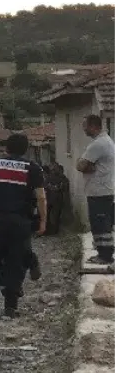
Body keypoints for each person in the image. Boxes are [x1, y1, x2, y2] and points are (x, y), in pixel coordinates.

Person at [0, 133, 47, 318]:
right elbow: (40, 196)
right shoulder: (33, 168)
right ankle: (10, 305)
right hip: (21, 222)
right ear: (26, 150)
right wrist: (43, 220)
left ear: (6, 148)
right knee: (16, 262)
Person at [77, 114, 115, 267]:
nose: (84, 129)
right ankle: (103, 252)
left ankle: (105, 256)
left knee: (100, 223)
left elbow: (80, 165)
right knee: (102, 222)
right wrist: (86, 165)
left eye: (85, 126)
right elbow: (84, 165)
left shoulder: (98, 144)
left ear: (93, 126)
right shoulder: (104, 141)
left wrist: (85, 165)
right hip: (102, 190)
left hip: (100, 191)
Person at [44, 163, 68, 236]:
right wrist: (54, 187)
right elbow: (45, 185)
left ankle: (54, 231)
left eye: (55, 168)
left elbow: (63, 187)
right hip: (49, 198)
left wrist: (54, 187)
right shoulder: (49, 177)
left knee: (56, 216)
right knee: (47, 215)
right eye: (53, 168)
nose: (54, 170)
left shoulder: (63, 178)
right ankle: (47, 230)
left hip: (57, 199)